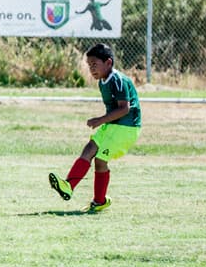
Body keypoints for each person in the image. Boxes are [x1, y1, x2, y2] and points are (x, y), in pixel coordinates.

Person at [48, 43, 140, 213]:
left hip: (126, 127)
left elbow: (124, 108)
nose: (91, 69)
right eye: (89, 65)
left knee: (99, 159)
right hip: (113, 125)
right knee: (90, 150)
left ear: (108, 63)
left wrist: (100, 119)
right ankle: (72, 188)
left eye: (94, 64)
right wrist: (104, 121)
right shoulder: (103, 82)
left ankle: (93, 198)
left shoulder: (117, 80)